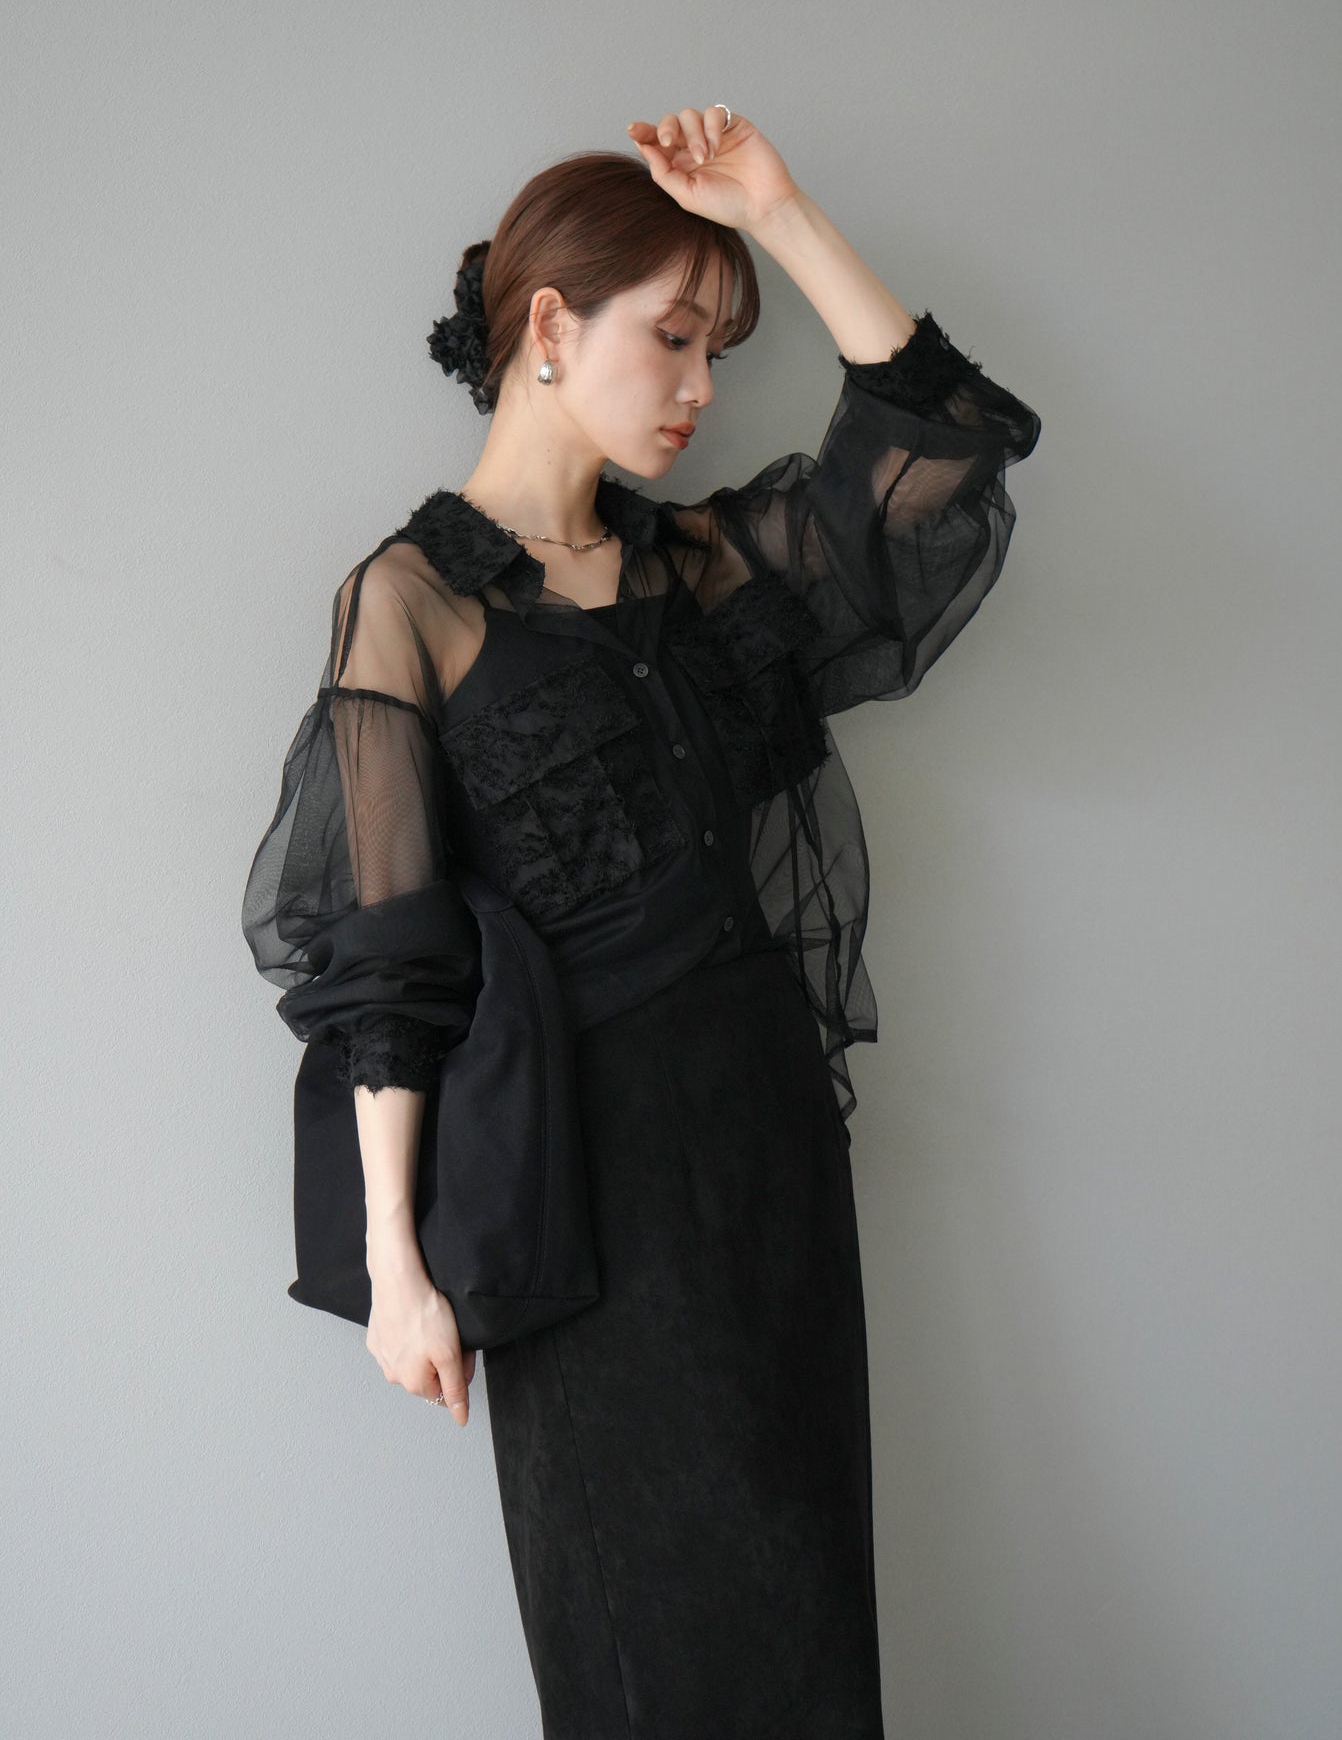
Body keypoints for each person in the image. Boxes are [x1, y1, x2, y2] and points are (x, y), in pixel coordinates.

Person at [242, 102, 1041, 1739]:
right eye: (672, 339)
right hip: (578, 1186)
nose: (699, 389)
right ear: (550, 325)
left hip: (765, 1147)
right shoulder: (414, 601)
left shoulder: (705, 569)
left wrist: (781, 209)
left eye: (715, 352)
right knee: (648, 1647)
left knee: (806, 1631)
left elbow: (946, 439)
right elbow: (384, 967)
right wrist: (396, 1266)